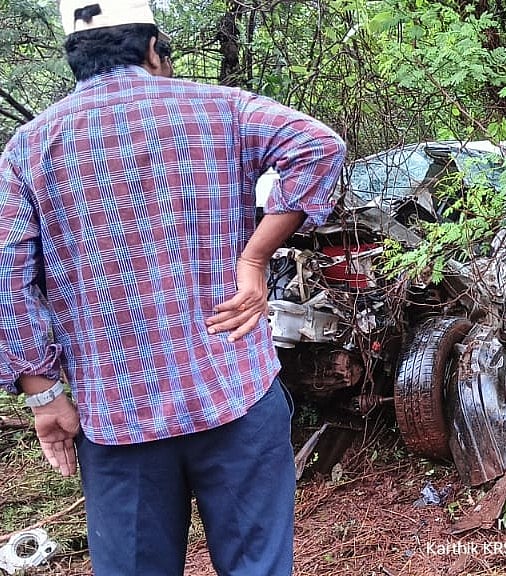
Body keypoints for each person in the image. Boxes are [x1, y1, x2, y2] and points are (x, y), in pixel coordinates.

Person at [0, 0, 346, 574]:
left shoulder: (28, 149)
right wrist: (255, 258)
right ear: (155, 49)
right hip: (233, 393)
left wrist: (42, 394)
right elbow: (320, 147)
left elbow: (8, 275)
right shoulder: (221, 109)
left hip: (115, 419)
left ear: (75, 61)